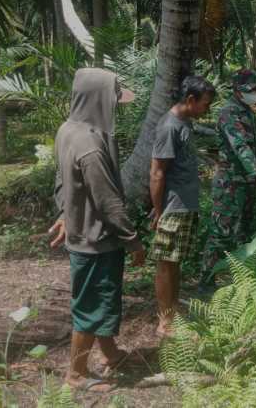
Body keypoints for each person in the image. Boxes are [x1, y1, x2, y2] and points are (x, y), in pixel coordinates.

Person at [48, 68, 145, 392]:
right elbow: (107, 202)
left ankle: (110, 353)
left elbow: (62, 179)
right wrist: (133, 240)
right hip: (97, 239)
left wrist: (65, 213)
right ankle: (76, 374)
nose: (116, 107)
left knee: (102, 299)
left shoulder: (68, 129)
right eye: (113, 100)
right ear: (97, 99)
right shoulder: (89, 144)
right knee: (91, 305)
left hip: (84, 233)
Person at [148, 76, 215, 336]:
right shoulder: (169, 127)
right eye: (205, 104)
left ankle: (173, 314)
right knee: (166, 263)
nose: (207, 109)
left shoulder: (185, 122)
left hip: (184, 206)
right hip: (173, 207)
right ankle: (165, 323)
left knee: (175, 262)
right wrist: (159, 211)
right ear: (190, 100)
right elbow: (157, 173)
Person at [202, 69, 256, 279]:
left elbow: (255, 150)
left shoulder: (248, 112)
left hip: (248, 183)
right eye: (250, 90)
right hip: (230, 184)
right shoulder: (229, 113)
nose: (255, 94)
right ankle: (206, 281)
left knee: (245, 233)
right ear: (237, 91)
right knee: (221, 234)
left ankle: (243, 281)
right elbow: (241, 147)